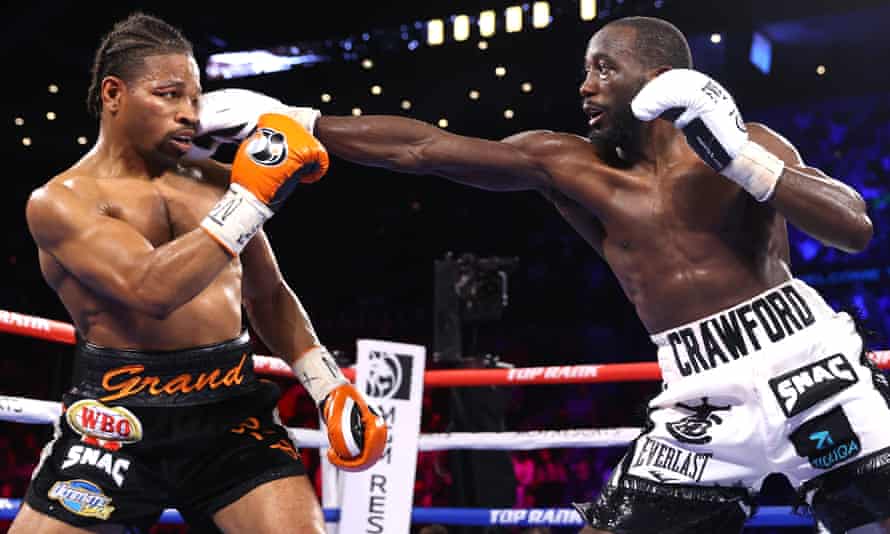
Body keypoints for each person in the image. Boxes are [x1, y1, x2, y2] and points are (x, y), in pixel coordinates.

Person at [206, 15, 890, 534]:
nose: (585, 87)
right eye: (586, 71)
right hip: (699, 398)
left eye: (603, 69)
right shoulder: (568, 165)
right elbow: (424, 148)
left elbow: (854, 227)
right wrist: (296, 119)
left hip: (813, 370)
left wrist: (737, 157)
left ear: (656, 79)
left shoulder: (752, 142)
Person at [11, 12, 386, 534]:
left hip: (231, 413)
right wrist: (252, 199)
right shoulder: (60, 201)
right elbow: (150, 289)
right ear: (114, 94)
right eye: (168, 95)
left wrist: (327, 386)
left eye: (194, 97)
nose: (190, 113)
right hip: (115, 421)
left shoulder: (217, 182)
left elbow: (267, 294)